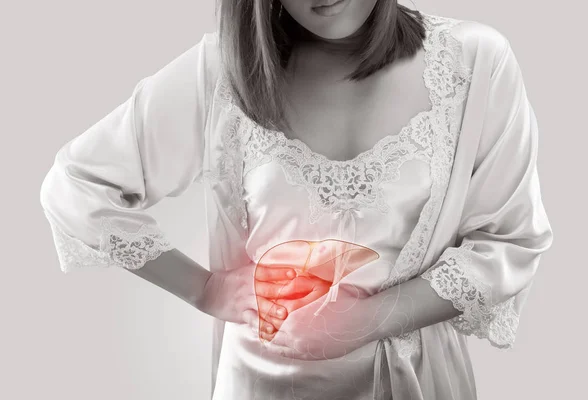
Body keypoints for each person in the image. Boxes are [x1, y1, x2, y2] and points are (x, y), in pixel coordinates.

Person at [39, 1, 554, 399]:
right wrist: (206, 290)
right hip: (264, 382)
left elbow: (509, 242)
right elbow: (77, 186)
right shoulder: (222, 70)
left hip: (417, 381)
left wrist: (367, 320)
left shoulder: (474, 60)